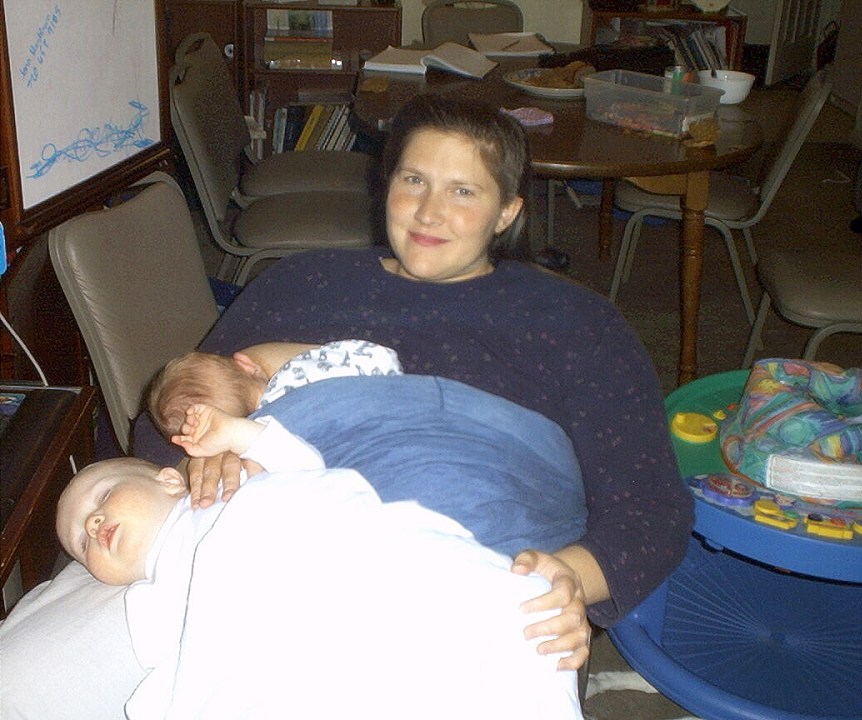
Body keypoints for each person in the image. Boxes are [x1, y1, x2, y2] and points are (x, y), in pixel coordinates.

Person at [137, 94, 694, 670]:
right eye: (414, 181)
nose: (429, 212)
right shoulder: (301, 284)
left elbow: (651, 511)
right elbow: (165, 421)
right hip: (286, 586)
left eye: (463, 191)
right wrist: (201, 462)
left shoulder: (576, 325)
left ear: (507, 212)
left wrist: (567, 577)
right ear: (386, 186)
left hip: (477, 605)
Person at [56, 405, 582, 719]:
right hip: (297, 645)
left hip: (356, 566)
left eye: (102, 497)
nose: (93, 524)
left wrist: (235, 433)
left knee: (509, 615)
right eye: (80, 542)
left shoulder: (227, 485)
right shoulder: (146, 598)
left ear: (168, 478)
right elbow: (188, 672)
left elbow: (303, 466)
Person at [148, 341, 588, 559]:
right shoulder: (306, 366)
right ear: (246, 364)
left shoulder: (268, 433)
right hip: (520, 446)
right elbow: (383, 359)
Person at [147, 339, 404, 438]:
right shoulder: (299, 365)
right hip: (394, 388)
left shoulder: (271, 432)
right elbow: (378, 355)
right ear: (246, 364)